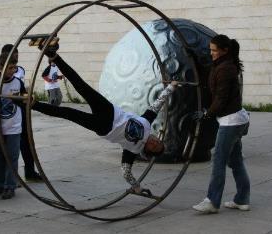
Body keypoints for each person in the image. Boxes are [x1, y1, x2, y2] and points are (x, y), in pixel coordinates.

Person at [26, 42, 180, 193]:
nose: (154, 141)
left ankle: (33, 104)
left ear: (147, 151)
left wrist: (137, 187)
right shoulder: (147, 123)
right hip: (110, 111)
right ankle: (53, 55)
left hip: (104, 127)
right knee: (81, 85)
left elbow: (126, 171)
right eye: (158, 141)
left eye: (154, 146)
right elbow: (158, 103)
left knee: (68, 113)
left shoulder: (133, 150)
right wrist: (171, 87)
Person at [193, 34, 250, 213]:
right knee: (236, 161)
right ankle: (242, 199)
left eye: (214, 50)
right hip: (236, 119)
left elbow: (221, 99)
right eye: (210, 50)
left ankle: (212, 201)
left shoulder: (225, 69)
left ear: (225, 50)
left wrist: (206, 114)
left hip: (230, 122)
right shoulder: (225, 64)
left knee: (219, 160)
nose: (211, 54)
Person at [0, 44, 42, 182]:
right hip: (7, 114)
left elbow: (22, 91)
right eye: (12, 57)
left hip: (20, 111)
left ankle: (29, 171)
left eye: (16, 57)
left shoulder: (19, 72)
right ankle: (10, 176)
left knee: (27, 141)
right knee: (10, 147)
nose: (15, 61)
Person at [0, 53, 25, 199]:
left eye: (14, 68)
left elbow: (24, 99)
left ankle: (10, 186)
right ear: (1, 68)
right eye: (9, 68)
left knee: (12, 156)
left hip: (14, 127)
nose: (12, 71)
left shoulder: (18, 82)